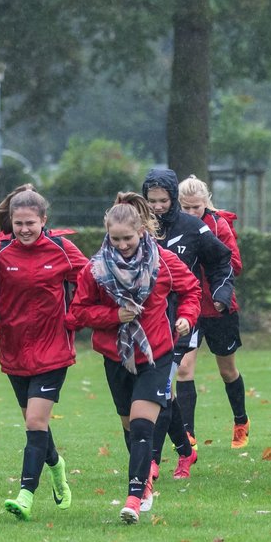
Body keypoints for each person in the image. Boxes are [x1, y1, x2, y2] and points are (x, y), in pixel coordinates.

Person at [68, 193, 201, 523]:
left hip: (156, 353)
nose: (122, 244)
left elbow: (192, 290)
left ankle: (134, 494)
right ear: (107, 234)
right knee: (130, 427)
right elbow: (78, 313)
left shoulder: (164, 261)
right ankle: (143, 481)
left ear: (142, 230)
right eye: (116, 239)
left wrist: (186, 317)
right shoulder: (95, 270)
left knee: (143, 425)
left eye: (128, 238)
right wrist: (114, 315)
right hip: (116, 358)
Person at [0, 185, 89, 522]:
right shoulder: (1, 253)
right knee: (35, 424)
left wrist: (75, 314)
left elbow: (91, 279)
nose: (24, 230)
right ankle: (57, 465)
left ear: (44, 221)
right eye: (18, 223)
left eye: (30, 223)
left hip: (54, 348)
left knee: (35, 421)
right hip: (15, 348)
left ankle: (25, 495)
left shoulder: (62, 249)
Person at [140, 167, 233, 481]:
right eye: (151, 200)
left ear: (172, 199)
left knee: (159, 390)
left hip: (180, 322)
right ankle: (185, 450)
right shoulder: (135, 227)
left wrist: (222, 290)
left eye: (163, 200)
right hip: (141, 325)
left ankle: (151, 459)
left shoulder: (193, 227)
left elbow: (222, 259)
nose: (156, 206)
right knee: (163, 394)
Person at [176, 175, 251, 449]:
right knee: (184, 369)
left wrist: (208, 262)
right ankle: (188, 436)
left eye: (197, 207)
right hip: (188, 308)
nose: (192, 212)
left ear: (206, 203)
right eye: (186, 207)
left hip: (220, 309)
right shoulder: (174, 228)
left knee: (227, 371)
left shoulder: (218, 226)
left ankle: (241, 421)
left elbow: (236, 265)